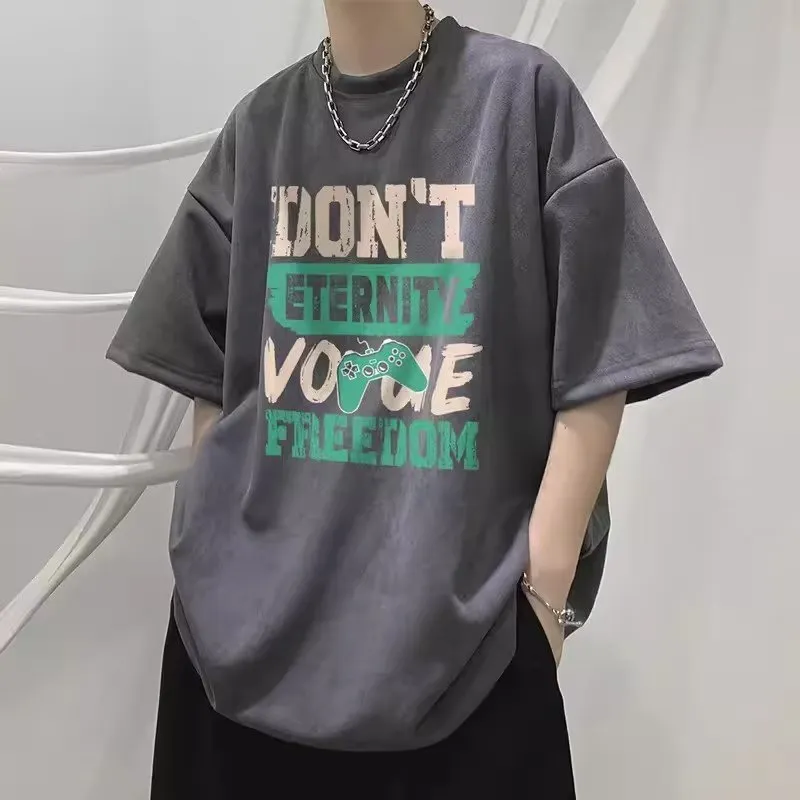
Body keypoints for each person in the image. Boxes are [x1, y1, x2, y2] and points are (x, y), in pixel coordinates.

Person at [107, 2, 723, 797]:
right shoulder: (259, 127)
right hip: (235, 669)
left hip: (467, 675)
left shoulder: (519, 99)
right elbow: (208, 364)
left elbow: (608, 339)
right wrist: (219, 556)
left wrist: (544, 591)